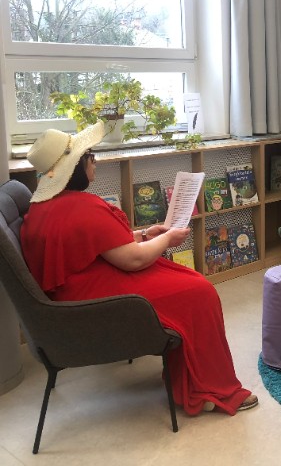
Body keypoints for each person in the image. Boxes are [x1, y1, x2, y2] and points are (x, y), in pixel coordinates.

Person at [20, 123, 257, 415]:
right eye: (89, 156)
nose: (94, 161)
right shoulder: (80, 207)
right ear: (74, 167)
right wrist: (168, 238)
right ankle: (209, 388)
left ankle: (192, 377)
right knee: (200, 292)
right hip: (92, 302)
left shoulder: (48, 206)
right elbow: (133, 260)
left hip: (75, 291)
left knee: (186, 280)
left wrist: (145, 234)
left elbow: (98, 245)